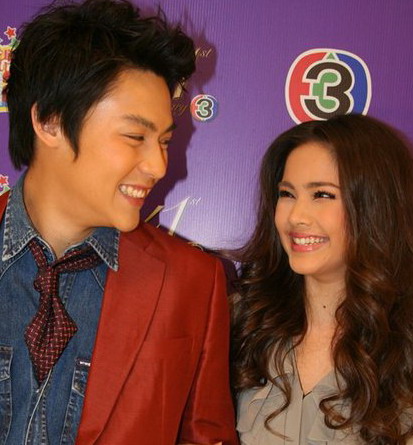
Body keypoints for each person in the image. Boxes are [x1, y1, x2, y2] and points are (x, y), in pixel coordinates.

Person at [1, 0, 238, 443]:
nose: (158, 166)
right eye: (135, 137)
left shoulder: (192, 282)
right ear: (49, 121)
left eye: (164, 141)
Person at [232, 114, 413, 444]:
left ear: (375, 205)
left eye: (322, 195)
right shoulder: (240, 323)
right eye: (287, 194)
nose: (296, 217)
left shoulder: (403, 342)